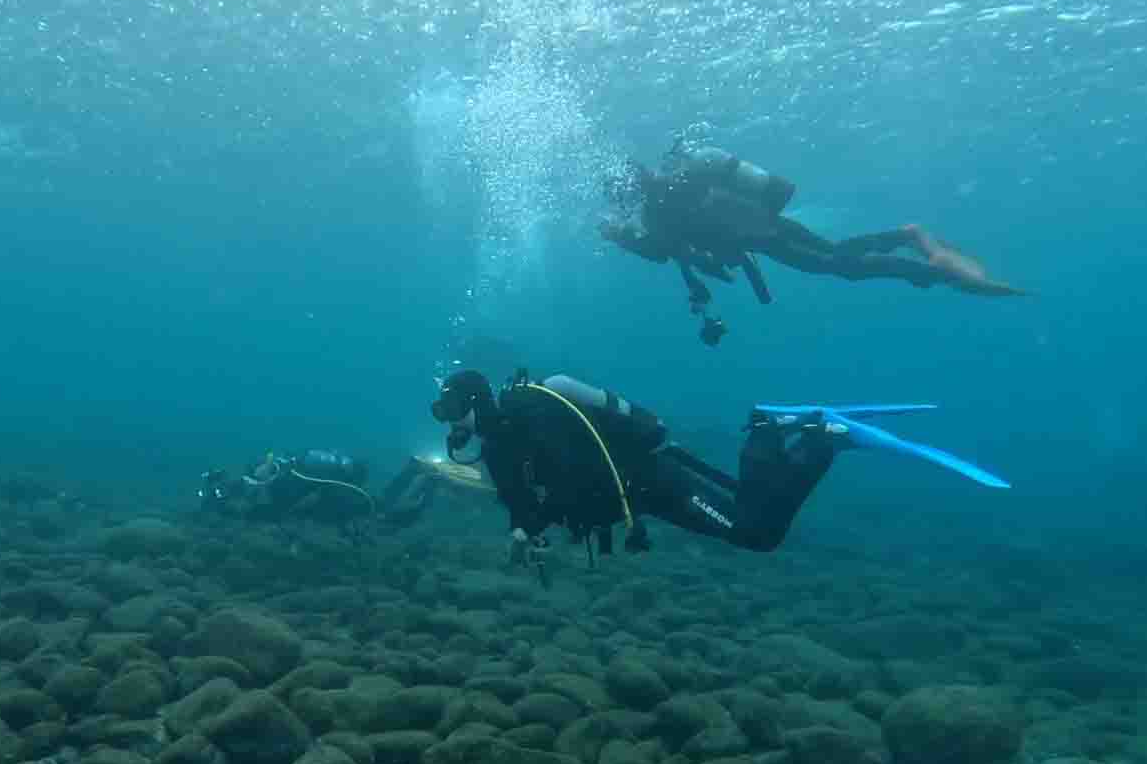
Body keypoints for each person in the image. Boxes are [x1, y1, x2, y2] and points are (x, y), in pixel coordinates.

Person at [429, 368, 1007, 572]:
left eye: (452, 411)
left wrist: (547, 517)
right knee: (759, 524)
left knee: (758, 532)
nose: (450, 425)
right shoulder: (503, 447)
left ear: (477, 403)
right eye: (443, 414)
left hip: (655, 480)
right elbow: (520, 500)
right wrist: (522, 530)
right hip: (647, 490)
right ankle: (806, 438)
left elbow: (578, 474)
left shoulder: (532, 411)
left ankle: (800, 435)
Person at [601, 140, 1028, 344]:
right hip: (769, 234)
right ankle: (911, 245)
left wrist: (622, 237)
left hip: (767, 233)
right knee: (837, 258)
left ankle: (928, 266)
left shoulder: (679, 187)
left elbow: (662, 249)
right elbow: (663, 251)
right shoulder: (664, 204)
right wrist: (622, 236)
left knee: (838, 263)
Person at [198, 448, 490, 529]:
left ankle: (427, 477)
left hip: (340, 498)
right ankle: (416, 470)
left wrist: (230, 510)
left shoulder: (279, 487)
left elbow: (277, 512)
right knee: (383, 507)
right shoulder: (281, 479)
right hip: (337, 494)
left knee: (388, 515)